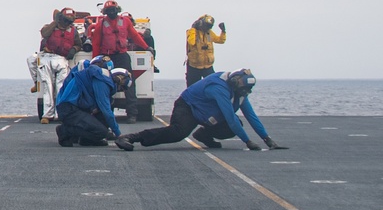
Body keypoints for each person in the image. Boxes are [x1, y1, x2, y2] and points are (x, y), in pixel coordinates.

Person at [114, 69, 288, 151]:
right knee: (177, 133)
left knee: (235, 124)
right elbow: (229, 114)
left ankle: (203, 134)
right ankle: (130, 137)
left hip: (207, 114)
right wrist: (247, 141)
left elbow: (251, 116)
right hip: (188, 107)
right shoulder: (218, 86)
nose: (243, 91)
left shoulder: (239, 92)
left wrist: (267, 139)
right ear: (235, 81)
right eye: (241, 87)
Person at [91, 0, 152, 123]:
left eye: (113, 10)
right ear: (105, 12)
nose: (111, 13)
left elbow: (135, 36)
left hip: (122, 56)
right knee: (106, 85)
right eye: (109, 11)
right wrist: (95, 61)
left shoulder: (125, 22)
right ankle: (107, 113)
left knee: (129, 83)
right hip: (107, 57)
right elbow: (96, 43)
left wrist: (146, 47)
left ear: (117, 10)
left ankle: (132, 114)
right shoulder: (101, 25)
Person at [54, 57, 130, 147]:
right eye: (121, 88)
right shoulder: (102, 81)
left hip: (72, 107)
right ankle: (65, 130)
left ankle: (87, 139)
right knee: (102, 132)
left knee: (101, 119)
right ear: (118, 80)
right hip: (69, 108)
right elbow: (106, 111)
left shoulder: (99, 76)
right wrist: (119, 134)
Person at [27, 8, 81, 123]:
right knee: (47, 86)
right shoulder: (50, 28)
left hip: (62, 59)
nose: (67, 23)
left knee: (61, 87)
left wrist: (74, 49)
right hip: (46, 57)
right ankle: (47, 114)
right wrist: (55, 23)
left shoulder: (73, 31)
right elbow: (44, 33)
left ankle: (60, 113)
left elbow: (78, 44)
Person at [186, 14, 227, 87]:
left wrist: (223, 31)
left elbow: (220, 40)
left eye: (209, 26)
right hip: (194, 66)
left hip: (207, 66)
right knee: (192, 87)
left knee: (214, 84)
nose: (207, 28)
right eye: (206, 26)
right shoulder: (192, 32)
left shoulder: (209, 33)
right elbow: (191, 42)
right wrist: (193, 29)